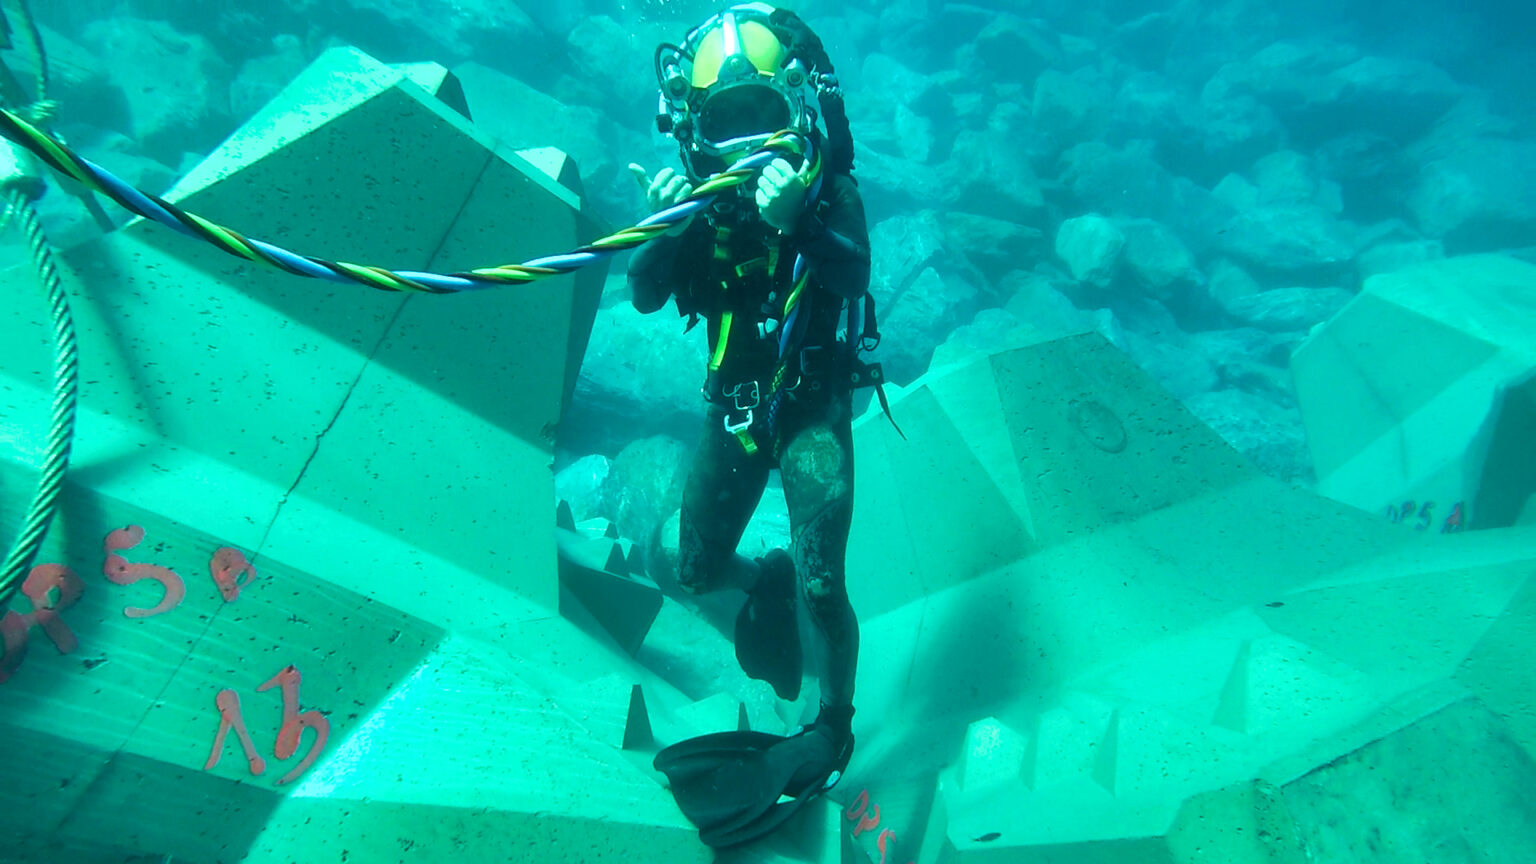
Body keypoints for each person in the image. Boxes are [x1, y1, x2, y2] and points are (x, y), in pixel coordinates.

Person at [625, 2, 876, 848]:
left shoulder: (827, 188)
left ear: (794, 108)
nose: (746, 143)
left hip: (810, 408)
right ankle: (760, 581)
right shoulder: (701, 202)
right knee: (693, 568)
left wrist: (799, 216)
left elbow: (849, 272)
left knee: (821, 584)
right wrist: (660, 230)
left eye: (760, 115)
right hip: (735, 414)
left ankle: (830, 725)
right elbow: (648, 293)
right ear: (695, 130)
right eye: (724, 122)